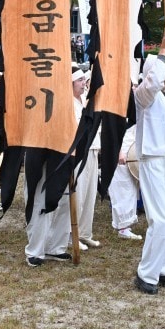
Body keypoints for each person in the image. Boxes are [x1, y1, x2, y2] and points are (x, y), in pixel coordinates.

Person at [132, 33, 165, 295]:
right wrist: (163, 51)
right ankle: (146, 273)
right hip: (153, 160)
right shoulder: (142, 94)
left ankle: (164, 268)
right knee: (162, 220)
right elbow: (151, 84)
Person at [71, 68, 103, 249]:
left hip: (92, 149)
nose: (84, 84)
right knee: (78, 192)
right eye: (80, 80)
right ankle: (71, 233)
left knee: (90, 194)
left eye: (85, 80)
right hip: (78, 152)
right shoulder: (69, 103)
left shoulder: (85, 100)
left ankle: (84, 232)